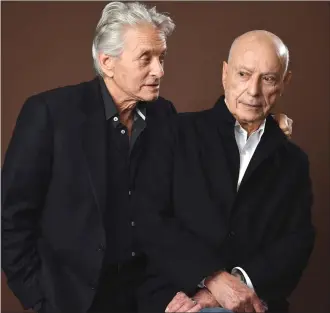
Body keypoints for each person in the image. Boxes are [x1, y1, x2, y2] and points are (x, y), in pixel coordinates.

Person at [1, 2, 292, 313]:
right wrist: (38, 299)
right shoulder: (49, 113)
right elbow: (11, 218)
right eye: (146, 59)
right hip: (70, 298)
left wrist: (265, 125)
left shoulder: (162, 114)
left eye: (162, 57)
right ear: (107, 62)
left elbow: (210, 131)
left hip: (147, 296)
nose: (160, 70)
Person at [134, 30, 315, 313]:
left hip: (254, 302)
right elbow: (148, 218)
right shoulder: (175, 133)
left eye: (267, 79)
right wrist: (211, 279)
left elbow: (296, 242)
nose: (253, 91)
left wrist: (237, 284)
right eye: (243, 74)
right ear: (225, 74)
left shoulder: (293, 162)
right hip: (174, 296)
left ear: (283, 83)